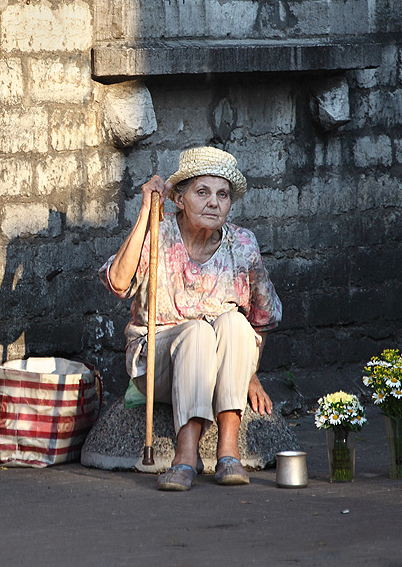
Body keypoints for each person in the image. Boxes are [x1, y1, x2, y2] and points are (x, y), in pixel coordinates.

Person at [98, 146, 282, 491]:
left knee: (234, 323)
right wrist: (145, 215)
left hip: (214, 362)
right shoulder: (159, 233)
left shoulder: (243, 245)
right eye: (202, 192)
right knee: (197, 331)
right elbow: (118, 282)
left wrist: (248, 373)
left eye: (223, 194)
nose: (214, 203)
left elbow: (263, 316)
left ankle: (228, 452)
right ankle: (186, 454)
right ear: (179, 200)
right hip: (158, 364)